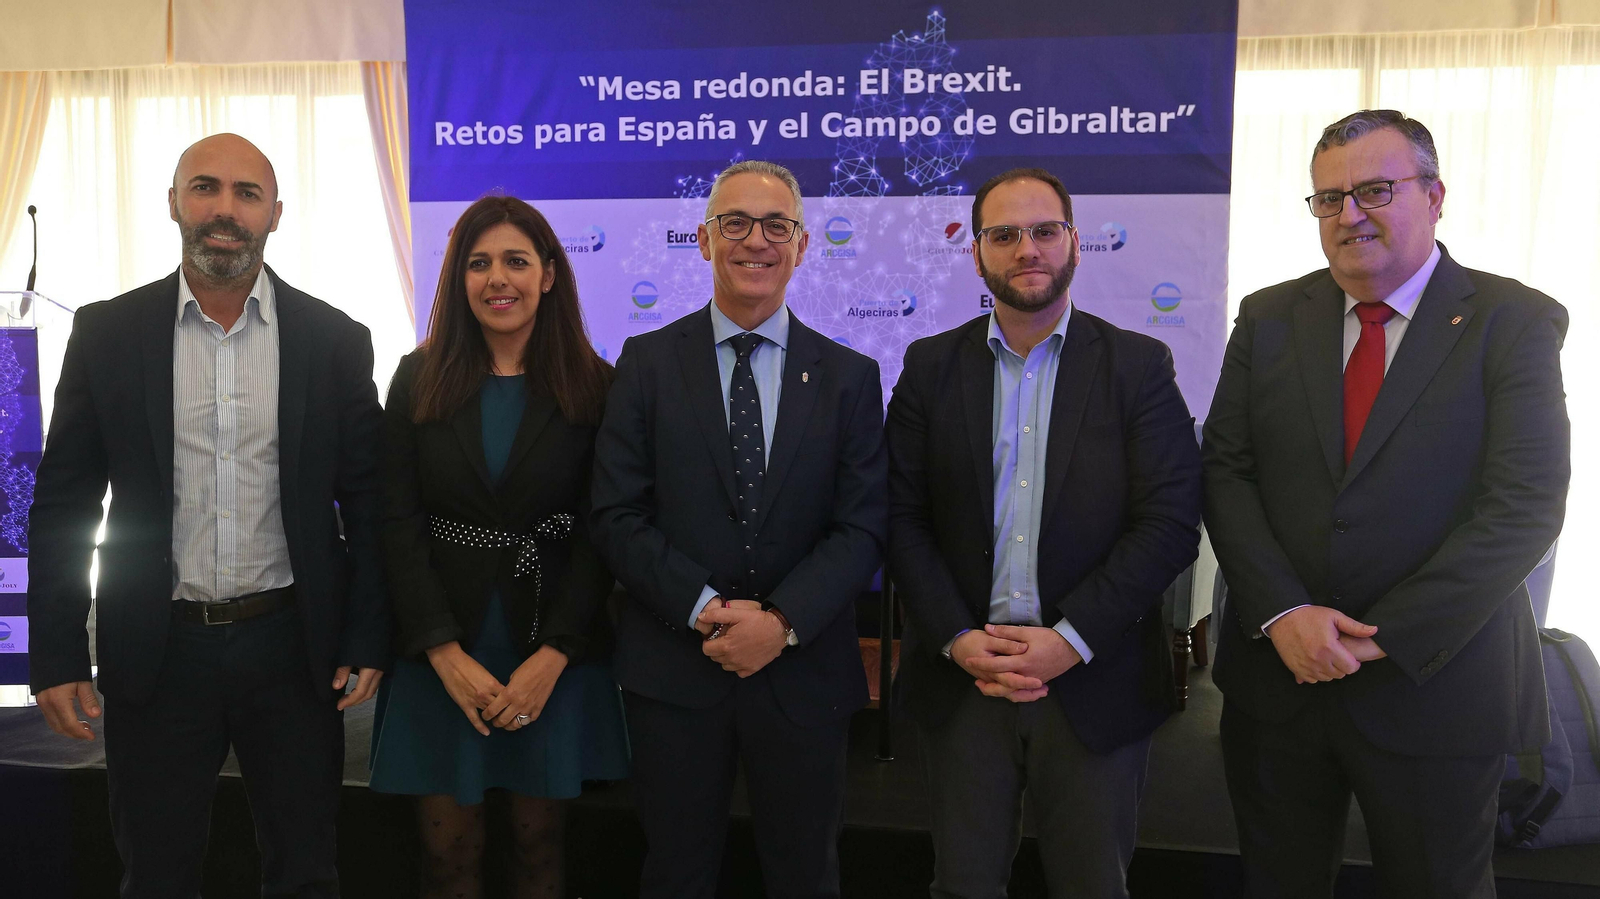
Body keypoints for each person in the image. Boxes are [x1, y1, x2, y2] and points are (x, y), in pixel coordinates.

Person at [1204, 110, 1570, 897]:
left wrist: (1384, 636)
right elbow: (1226, 473)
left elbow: (1525, 505)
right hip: (1281, 681)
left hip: (1434, 685)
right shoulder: (1268, 317)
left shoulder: (1514, 321)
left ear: (1435, 196)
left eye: (1374, 189)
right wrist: (1281, 612)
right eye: (1329, 199)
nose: (1350, 214)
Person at [26, 133, 388, 898]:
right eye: (205, 188)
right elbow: (64, 502)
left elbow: (372, 503)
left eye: (247, 193)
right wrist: (55, 651)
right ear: (173, 202)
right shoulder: (107, 334)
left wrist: (365, 633)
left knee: (305, 870)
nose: (225, 210)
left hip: (293, 652)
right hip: (156, 655)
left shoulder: (334, 341)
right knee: (156, 872)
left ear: (276, 214)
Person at [885, 167, 1202, 898]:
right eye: (1004, 234)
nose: (1026, 249)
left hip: (1095, 678)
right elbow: (900, 516)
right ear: (977, 253)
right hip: (966, 680)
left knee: (1092, 884)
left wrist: (1070, 639)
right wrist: (959, 638)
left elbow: (1170, 523)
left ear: (1074, 243)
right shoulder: (929, 366)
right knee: (962, 884)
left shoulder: (1137, 366)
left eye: (1043, 231)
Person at [590, 160, 886, 899]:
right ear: (703, 239)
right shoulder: (646, 363)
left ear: (802, 245)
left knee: (805, 874)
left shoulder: (850, 377)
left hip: (805, 674)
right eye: (735, 223)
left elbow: (863, 525)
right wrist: (705, 609)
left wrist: (781, 622)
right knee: (677, 873)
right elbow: (616, 515)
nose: (756, 240)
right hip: (674, 672)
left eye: (776, 225)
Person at [369, 195, 629, 899]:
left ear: (548, 274)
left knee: (538, 845)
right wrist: (443, 652)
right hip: (441, 648)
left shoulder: (598, 386)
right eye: (478, 263)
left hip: (553, 650)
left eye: (516, 260)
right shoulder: (416, 378)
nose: (497, 278)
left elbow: (603, 533)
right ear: (459, 279)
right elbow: (395, 523)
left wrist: (555, 654)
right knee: (448, 855)